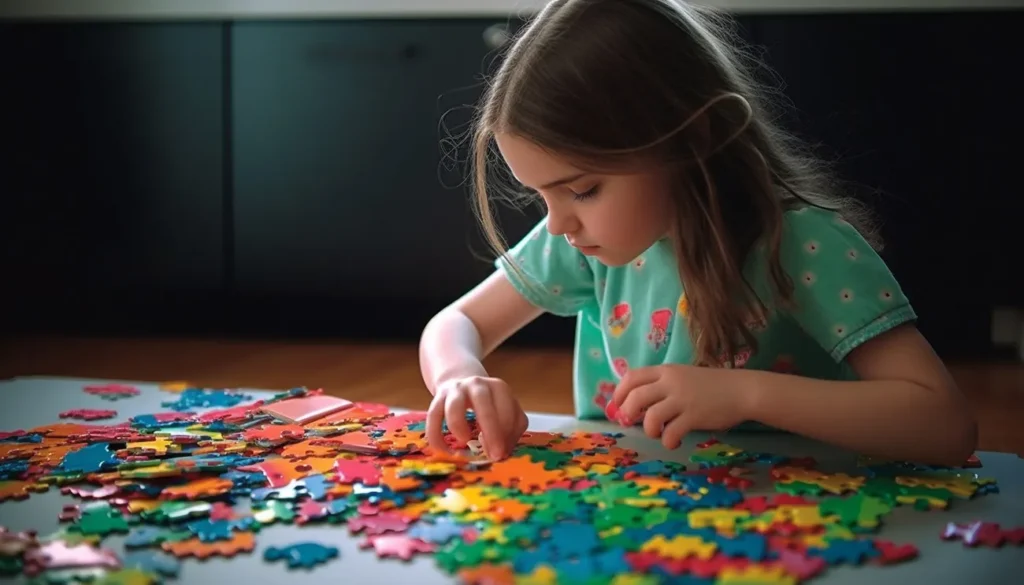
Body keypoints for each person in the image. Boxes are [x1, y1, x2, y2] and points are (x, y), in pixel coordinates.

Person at [418, 0, 977, 466]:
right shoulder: (585, 243)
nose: (558, 223)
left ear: (691, 139)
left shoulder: (804, 243)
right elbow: (456, 322)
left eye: (583, 190)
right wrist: (459, 377)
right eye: (543, 195)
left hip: (799, 518)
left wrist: (748, 395)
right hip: (631, 514)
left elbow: (945, 426)